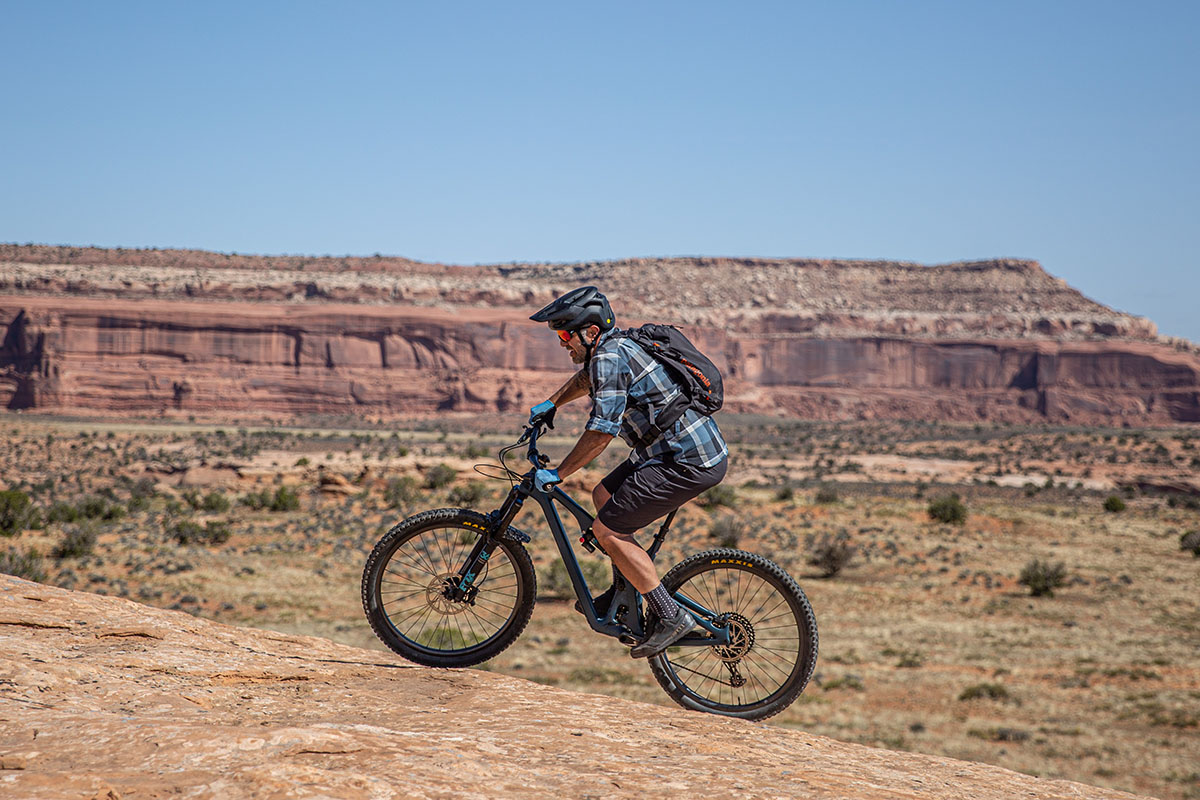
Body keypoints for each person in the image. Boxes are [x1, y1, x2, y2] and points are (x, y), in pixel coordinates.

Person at [527, 286, 729, 658]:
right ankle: (625, 594)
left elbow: (602, 430)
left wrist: (560, 472)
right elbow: (590, 378)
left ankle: (670, 615)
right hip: (668, 451)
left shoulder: (607, 355)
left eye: (564, 335)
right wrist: (552, 403)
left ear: (589, 332)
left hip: (685, 459)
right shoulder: (612, 348)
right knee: (602, 496)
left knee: (608, 530)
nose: (561, 343)